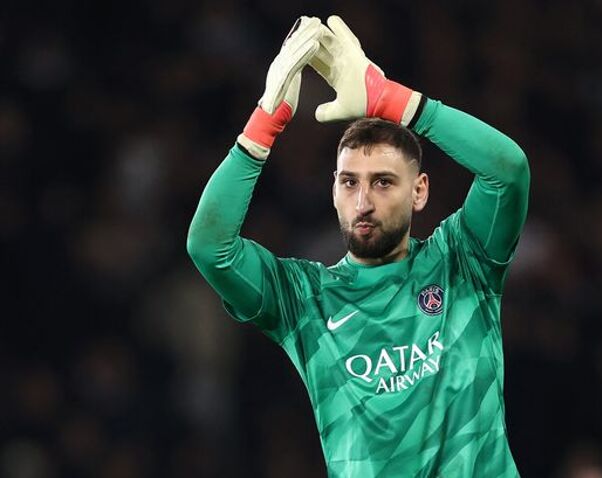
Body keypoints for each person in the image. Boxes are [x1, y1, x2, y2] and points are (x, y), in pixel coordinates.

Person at [187, 15, 530, 478]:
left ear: (419, 191)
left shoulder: (461, 261)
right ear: (333, 190)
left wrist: (392, 100)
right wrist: (263, 127)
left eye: (383, 182)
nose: (363, 202)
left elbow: (509, 171)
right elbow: (210, 247)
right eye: (349, 182)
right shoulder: (304, 299)